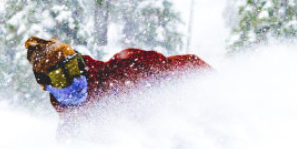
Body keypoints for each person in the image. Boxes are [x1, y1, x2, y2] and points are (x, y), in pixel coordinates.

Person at [24, 36, 211, 133]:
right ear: (46, 85)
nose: (73, 81)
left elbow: (192, 66)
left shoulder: (128, 67)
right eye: (60, 77)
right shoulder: (72, 133)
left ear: (81, 62)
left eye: (73, 67)